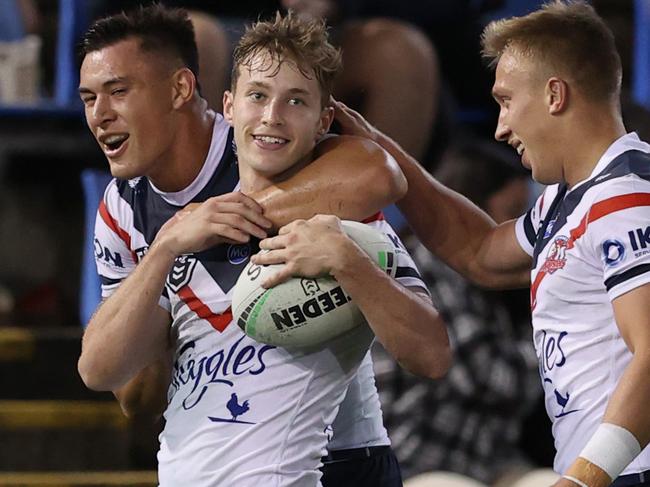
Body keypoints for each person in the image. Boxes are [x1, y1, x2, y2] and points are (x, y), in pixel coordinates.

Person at [76, 6, 449, 487]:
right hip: (207, 456)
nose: (100, 115)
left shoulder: (291, 158)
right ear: (233, 102)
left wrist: (236, 220)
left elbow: (378, 175)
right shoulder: (122, 210)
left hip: (337, 457)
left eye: (119, 92)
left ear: (182, 88)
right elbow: (123, 384)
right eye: (89, 98)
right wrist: (171, 249)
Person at [331, 1, 650, 486]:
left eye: (505, 100)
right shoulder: (569, 200)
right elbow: (478, 251)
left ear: (555, 95)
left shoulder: (625, 197)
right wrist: (386, 152)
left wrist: (584, 479)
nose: (501, 128)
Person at [372, 141, 540, 485]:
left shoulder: (498, 287)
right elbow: (495, 378)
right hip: (417, 463)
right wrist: (557, 347)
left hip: (487, 461)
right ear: (473, 206)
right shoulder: (430, 266)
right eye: (513, 211)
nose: (521, 230)